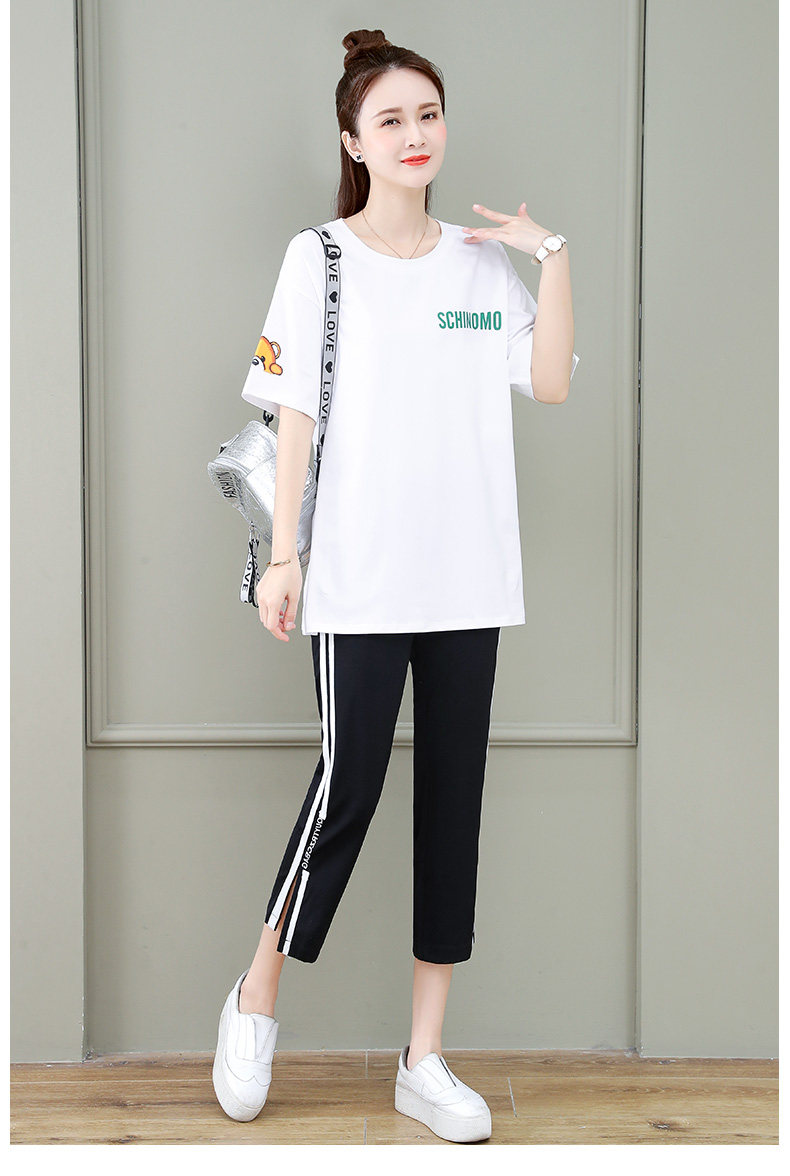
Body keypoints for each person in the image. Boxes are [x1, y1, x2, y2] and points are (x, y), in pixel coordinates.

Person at [212, 28, 579, 1143]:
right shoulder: (317, 258)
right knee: (348, 788)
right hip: (359, 579)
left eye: (428, 115)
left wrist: (551, 255)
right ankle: (256, 995)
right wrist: (285, 559)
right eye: (391, 120)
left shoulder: (480, 264)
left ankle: (424, 1058)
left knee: (453, 804)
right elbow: (294, 414)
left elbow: (551, 383)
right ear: (353, 141)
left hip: (470, 580)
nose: (415, 135)